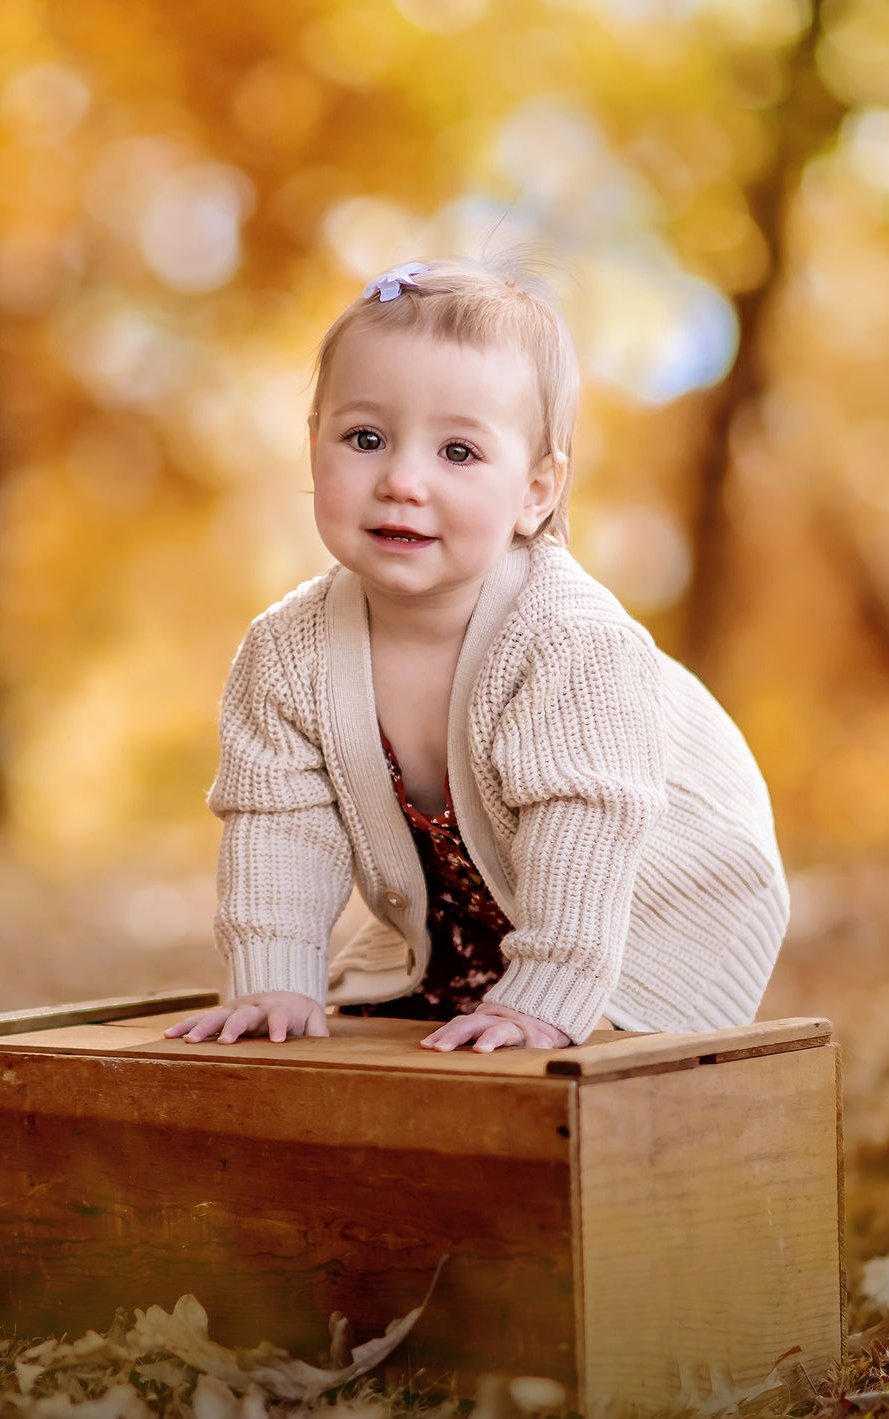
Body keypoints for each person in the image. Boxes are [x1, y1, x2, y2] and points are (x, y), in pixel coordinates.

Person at [165, 257, 789, 1055]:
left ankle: (548, 997)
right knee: (391, 1051)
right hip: (477, 920)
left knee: (572, 1070)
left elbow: (584, 831)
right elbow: (279, 821)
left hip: (652, 910)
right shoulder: (286, 651)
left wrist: (551, 995)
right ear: (313, 445)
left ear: (536, 491)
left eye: (457, 452)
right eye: (366, 438)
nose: (401, 480)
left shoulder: (570, 643)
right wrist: (276, 977)